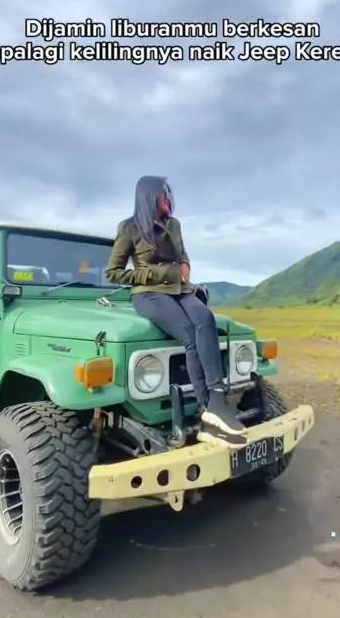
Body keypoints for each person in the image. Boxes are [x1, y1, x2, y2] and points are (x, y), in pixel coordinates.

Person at [106, 175, 247, 447]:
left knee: (205, 318)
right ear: (150, 196)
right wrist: (154, 274)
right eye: (164, 193)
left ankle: (217, 398)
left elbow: (182, 252)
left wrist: (184, 264)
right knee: (188, 332)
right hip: (148, 294)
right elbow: (114, 272)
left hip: (180, 290)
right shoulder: (129, 228)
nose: (169, 198)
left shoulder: (174, 225)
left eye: (169, 192)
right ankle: (207, 411)